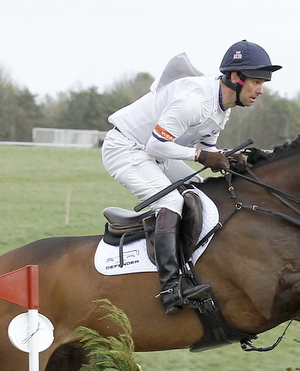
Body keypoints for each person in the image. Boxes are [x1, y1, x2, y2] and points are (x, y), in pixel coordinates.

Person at [102, 40, 281, 315]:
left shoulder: (224, 107)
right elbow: (156, 145)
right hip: (127, 148)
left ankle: (193, 265)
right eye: (256, 82)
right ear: (236, 78)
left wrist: (226, 158)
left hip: (156, 151)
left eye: (262, 83)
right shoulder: (195, 102)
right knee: (171, 203)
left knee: (202, 193)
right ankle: (170, 288)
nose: (260, 90)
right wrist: (202, 157)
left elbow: (206, 147)